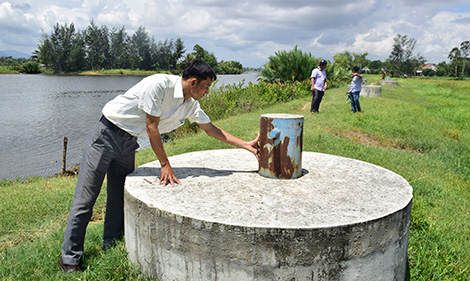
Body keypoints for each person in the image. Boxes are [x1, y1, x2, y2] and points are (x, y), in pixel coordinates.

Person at [59, 60, 260, 273]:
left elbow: (211, 130)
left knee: (118, 197)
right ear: (193, 82)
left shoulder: (190, 104)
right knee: (85, 200)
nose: (207, 92)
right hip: (106, 136)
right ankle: (69, 259)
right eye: (206, 87)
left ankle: (111, 243)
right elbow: (151, 126)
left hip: (128, 143)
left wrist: (246, 145)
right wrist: (165, 164)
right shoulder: (158, 85)